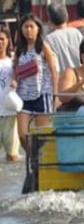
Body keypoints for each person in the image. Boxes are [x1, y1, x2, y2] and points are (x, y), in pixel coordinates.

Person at [14, 14, 58, 152]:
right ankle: (31, 156)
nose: (28, 30)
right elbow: (15, 70)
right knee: (22, 135)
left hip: (42, 93)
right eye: (25, 27)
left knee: (41, 135)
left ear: (38, 28)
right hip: (23, 94)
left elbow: (54, 71)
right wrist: (14, 82)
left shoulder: (43, 46)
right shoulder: (20, 48)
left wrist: (55, 94)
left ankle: (38, 163)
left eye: (31, 27)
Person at [0, 26, 20, 161]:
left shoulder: (14, 60)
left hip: (10, 113)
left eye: (1, 39)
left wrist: (16, 80)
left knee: (12, 156)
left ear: (8, 40)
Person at [45, 3, 83, 73]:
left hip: (61, 78)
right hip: (79, 75)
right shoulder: (76, 33)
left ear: (50, 20)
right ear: (67, 16)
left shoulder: (49, 39)